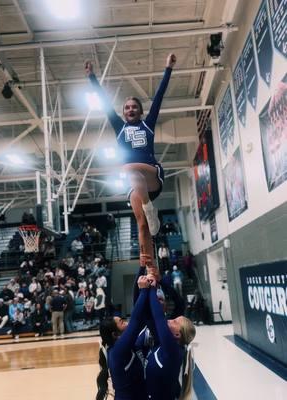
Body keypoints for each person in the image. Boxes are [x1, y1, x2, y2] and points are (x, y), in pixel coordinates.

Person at [85, 53, 177, 266]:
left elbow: (159, 97)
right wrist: (92, 77)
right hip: (135, 184)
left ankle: (149, 207)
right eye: (127, 107)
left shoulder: (148, 124)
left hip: (151, 174)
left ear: (140, 111)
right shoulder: (119, 127)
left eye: (134, 107)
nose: (130, 109)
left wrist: (168, 69)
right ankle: (148, 264)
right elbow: (104, 103)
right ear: (123, 113)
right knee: (142, 224)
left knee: (129, 168)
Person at [96, 276, 149, 400]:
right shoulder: (119, 350)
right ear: (115, 334)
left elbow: (138, 314)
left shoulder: (118, 346)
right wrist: (143, 290)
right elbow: (135, 319)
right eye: (122, 322)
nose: (126, 323)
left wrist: (141, 269)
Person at [144, 276, 196, 400]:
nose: (170, 320)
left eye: (174, 321)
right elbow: (148, 315)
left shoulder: (172, 348)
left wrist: (152, 288)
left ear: (177, 334)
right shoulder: (163, 342)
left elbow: (160, 316)